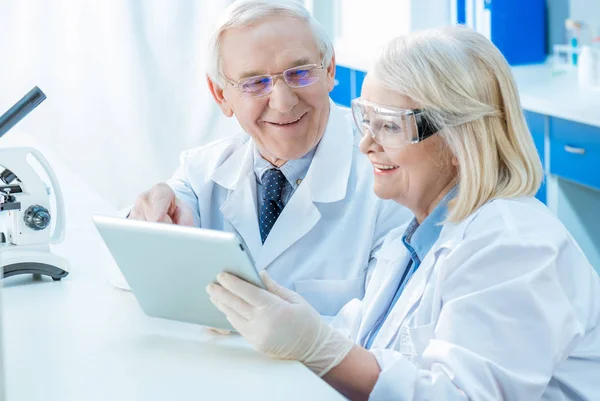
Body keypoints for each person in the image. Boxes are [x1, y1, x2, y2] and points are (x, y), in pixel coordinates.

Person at [207, 26, 600, 400]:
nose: (366, 145)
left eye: (390, 127)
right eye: (366, 119)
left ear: (459, 137)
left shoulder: (513, 247)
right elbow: (367, 343)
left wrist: (315, 346)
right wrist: (278, 322)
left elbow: (459, 395)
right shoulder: (412, 239)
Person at [128, 0, 411, 317]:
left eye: (300, 73)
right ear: (221, 95)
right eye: (254, 83)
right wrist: (147, 224)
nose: (283, 102)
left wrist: (305, 339)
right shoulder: (199, 174)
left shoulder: (392, 178)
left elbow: (389, 335)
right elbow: (129, 277)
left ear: (329, 70)